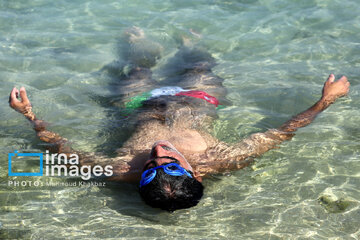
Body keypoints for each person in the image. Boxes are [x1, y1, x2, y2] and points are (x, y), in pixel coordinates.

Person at [8, 28, 350, 211]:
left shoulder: (121, 170)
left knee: (137, 66)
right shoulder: (220, 159)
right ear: (195, 172)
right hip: (197, 99)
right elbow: (282, 131)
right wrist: (325, 102)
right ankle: (189, 41)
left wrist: (30, 116)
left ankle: (139, 46)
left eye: (150, 167)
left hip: (139, 103)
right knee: (200, 64)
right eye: (169, 163)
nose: (158, 152)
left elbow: (62, 151)